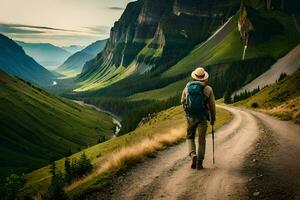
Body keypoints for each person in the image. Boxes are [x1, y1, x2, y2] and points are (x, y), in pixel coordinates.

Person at [181, 67, 216, 170]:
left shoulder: (187, 87)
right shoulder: (208, 89)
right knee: (202, 140)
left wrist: (187, 112)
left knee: (190, 137)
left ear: (194, 77)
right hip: (202, 117)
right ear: (204, 77)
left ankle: (193, 155)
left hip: (190, 117)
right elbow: (212, 106)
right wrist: (212, 118)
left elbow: (182, 101)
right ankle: (199, 162)